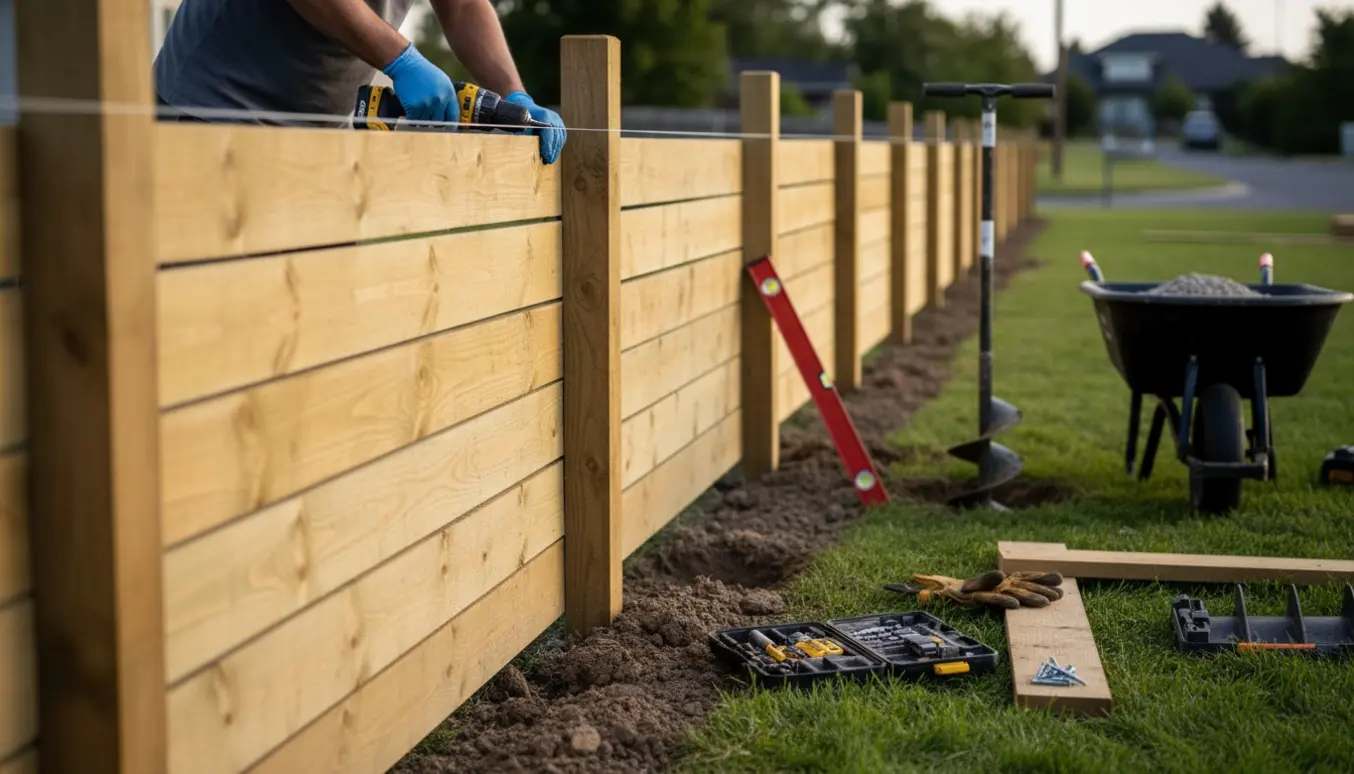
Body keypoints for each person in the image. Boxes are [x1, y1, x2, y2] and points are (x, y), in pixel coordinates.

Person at [152, 0, 565, 164]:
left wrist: (516, 94)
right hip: (211, 108)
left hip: (320, 138)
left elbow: (461, 8)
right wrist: (402, 59)